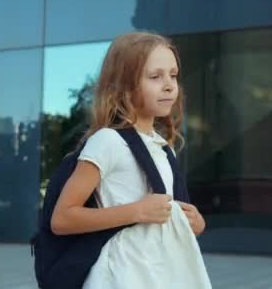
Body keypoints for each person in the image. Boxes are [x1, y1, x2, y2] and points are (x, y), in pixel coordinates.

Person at [50, 32, 212, 288]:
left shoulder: (160, 147)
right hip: (122, 274)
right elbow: (62, 219)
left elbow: (162, 218)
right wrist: (136, 211)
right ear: (124, 86)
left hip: (159, 272)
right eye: (155, 76)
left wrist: (195, 223)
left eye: (173, 74)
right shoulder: (108, 141)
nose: (169, 85)